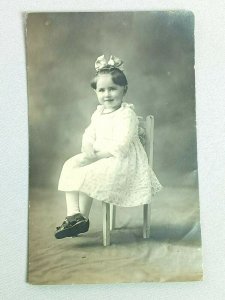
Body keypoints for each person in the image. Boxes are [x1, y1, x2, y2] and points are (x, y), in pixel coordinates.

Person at [55, 55, 162, 239]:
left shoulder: (126, 114)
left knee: (87, 172)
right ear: (96, 92)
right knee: (70, 165)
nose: (107, 94)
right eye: (101, 90)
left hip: (123, 161)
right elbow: (89, 133)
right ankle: (75, 216)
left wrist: (96, 156)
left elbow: (121, 145)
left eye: (112, 89)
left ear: (124, 89)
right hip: (99, 155)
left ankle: (82, 219)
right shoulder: (99, 113)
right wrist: (88, 145)